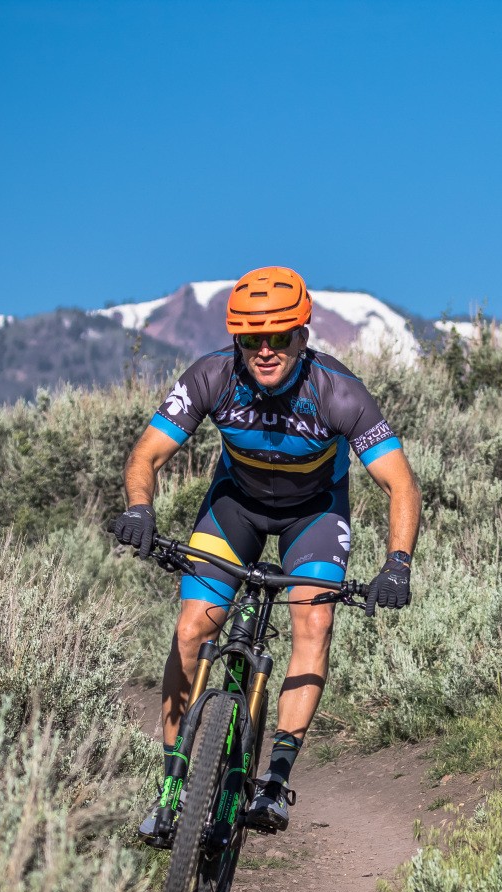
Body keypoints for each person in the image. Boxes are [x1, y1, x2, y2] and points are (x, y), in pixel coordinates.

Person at [110, 266, 421, 845]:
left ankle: (274, 780)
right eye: (251, 338)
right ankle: (172, 788)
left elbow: (400, 484)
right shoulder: (211, 376)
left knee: (313, 620)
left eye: (278, 336)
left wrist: (397, 563)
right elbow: (146, 454)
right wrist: (139, 509)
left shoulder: (339, 392)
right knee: (192, 628)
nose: (265, 350)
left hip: (314, 514)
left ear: (302, 335)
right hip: (235, 508)